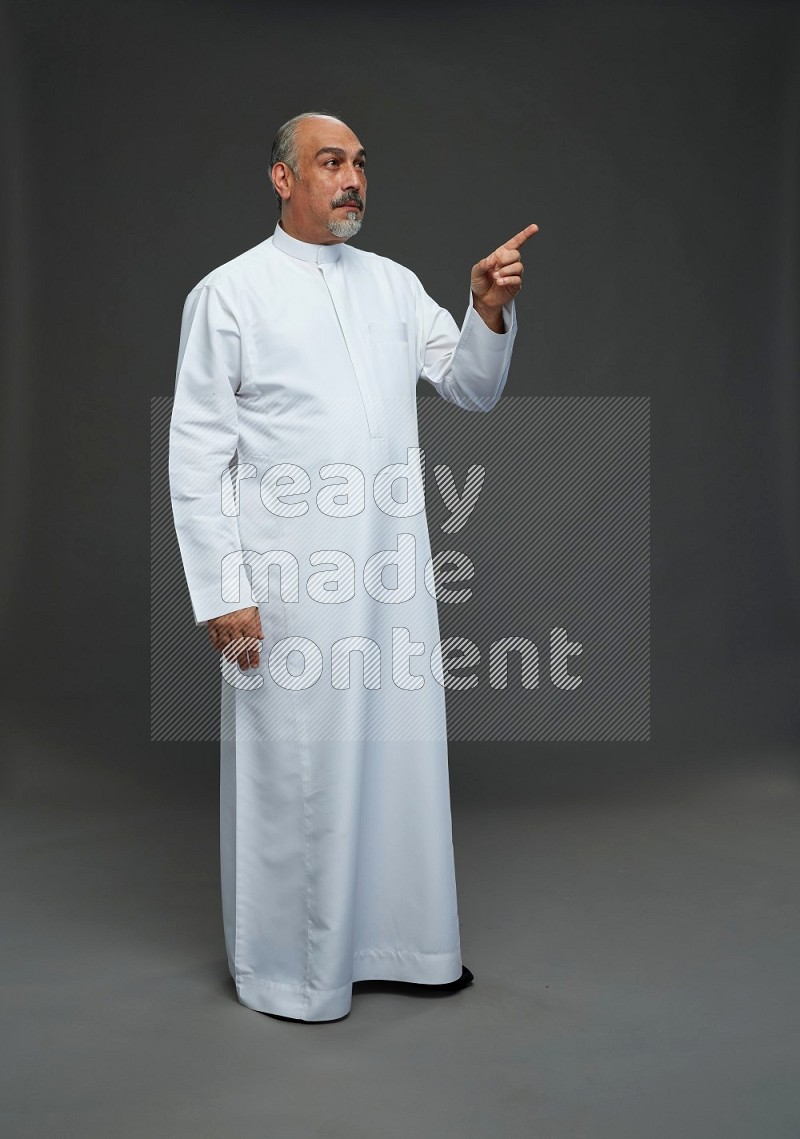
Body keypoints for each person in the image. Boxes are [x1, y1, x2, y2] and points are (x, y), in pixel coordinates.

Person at [168, 111, 537, 1022]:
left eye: (361, 164)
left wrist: (486, 307)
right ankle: (295, 974)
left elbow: (471, 387)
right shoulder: (230, 294)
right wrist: (224, 592)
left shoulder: (395, 286)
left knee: (395, 761)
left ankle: (410, 947)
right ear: (282, 179)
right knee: (299, 771)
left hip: (390, 578)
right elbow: (196, 454)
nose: (352, 179)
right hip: (288, 588)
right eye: (330, 162)